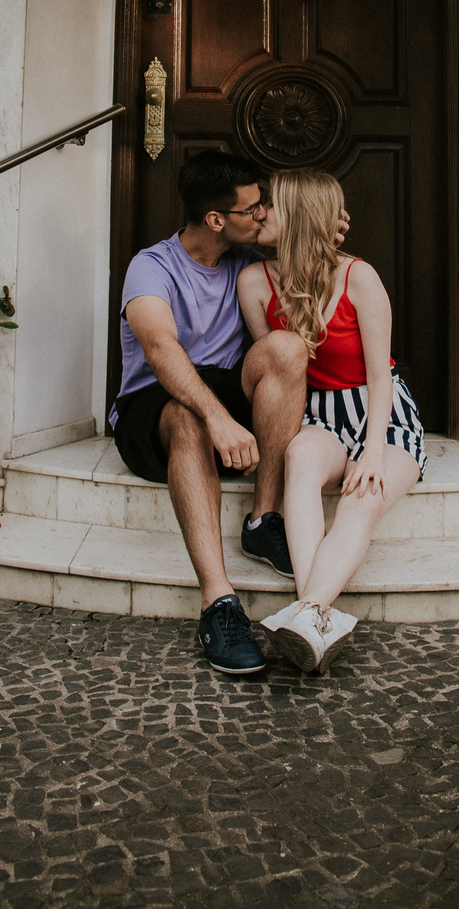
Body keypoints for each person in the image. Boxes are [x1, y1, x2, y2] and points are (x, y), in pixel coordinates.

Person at [113, 150, 310, 676]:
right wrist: (218, 418)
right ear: (216, 219)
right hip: (151, 406)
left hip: (225, 392)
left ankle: (263, 518)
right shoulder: (150, 267)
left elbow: (306, 258)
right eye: (254, 208)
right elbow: (160, 350)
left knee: (287, 349)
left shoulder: (246, 260)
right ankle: (218, 603)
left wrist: (319, 225)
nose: (264, 214)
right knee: (187, 416)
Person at [237, 168, 426, 674]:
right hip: (319, 413)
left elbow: (381, 375)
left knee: (361, 499)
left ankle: (308, 613)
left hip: (378, 413)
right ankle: (315, 616)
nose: (259, 214)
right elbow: (278, 370)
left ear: (295, 217)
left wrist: (371, 450)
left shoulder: (358, 276)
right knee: (299, 456)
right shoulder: (255, 282)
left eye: (269, 207)